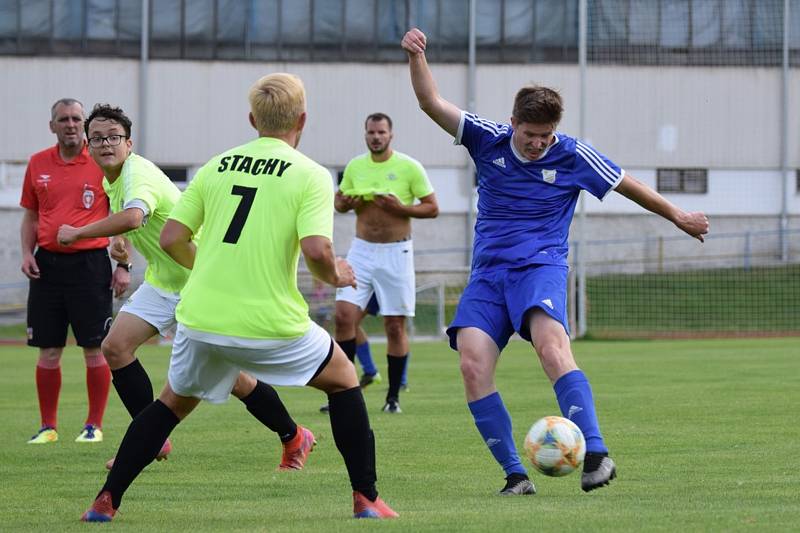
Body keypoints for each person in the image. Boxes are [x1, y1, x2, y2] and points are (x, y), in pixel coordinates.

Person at [401, 28, 710, 495]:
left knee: (550, 346)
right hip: (488, 275)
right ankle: (515, 475)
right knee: (472, 364)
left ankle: (597, 455)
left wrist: (678, 215)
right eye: (530, 135)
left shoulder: (573, 154)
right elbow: (431, 103)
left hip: (541, 267)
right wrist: (417, 56)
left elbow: (627, 184)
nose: (538, 144)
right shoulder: (487, 139)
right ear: (512, 124)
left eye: (546, 136)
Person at [80, 73, 398, 522]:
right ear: (303, 119)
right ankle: (366, 499)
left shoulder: (216, 165)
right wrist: (338, 274)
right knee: (345, 380)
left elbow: (172, 237)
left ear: (252, 119)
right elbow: (316, 251)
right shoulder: (310, 174)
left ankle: (105, 502)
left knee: (171, 404)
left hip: (200, 316)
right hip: (270, 321)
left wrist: (209, 267)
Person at [57, 104, 311, 471]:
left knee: (232, 377)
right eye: (96, 138)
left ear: (129, 143)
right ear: (88, 145)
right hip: (165, 280)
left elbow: (133, 215)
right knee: (115, 347)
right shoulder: (110, 179)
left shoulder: (136, 173)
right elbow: (137, 225)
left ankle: (293, 435)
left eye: (114, 137)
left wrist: (78, 233)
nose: (105, 144)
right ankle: (153, 439)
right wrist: (123, 253)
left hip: (200, 280)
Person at [20, 98, 129, 445]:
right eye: (63, 119)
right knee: (48, 349)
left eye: (76, 119)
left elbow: (122, 211)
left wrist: (123, 264)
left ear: (83, 126)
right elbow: (31, 215)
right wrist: (26, 252)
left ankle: (93, 425)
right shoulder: (38, 163)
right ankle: (48, 427)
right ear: (52, 125)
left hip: (90, 265)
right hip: (47, 265)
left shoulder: (102, 161)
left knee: (94, 347)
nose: (70, 124)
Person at [332, 112, 438, 414]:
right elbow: (339, 202)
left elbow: (432, 207)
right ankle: (345, 392)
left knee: (394, 326)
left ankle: (393, 397)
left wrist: (400, 207)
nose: (375, 137)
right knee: (343, 316)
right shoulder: (355, 166)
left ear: (391, 135)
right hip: (361, 250)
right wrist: (346, 203)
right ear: (365, 134)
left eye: (381, 132)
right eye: (371, 132)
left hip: (396, 252)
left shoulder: (409, 166)